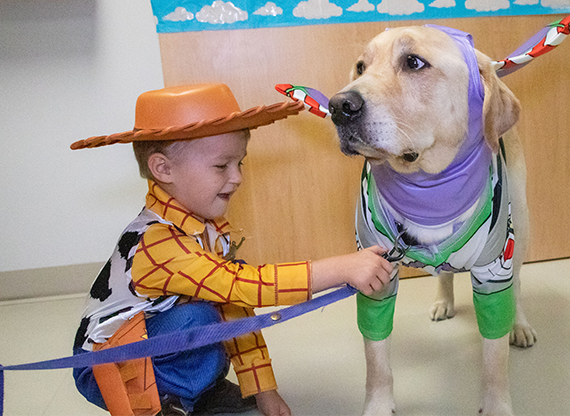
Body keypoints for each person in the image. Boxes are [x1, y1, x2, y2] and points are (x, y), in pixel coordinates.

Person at [71, 83, 393, 416]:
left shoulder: (207, 231)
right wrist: (341, 269)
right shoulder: (158, 243)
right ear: (163, 169)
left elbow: (236, 311)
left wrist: (263, 389)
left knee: (211, 314)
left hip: (152, 345)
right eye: (221, 166)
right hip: (106, 366)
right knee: (196, 318)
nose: (237, 177)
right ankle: (167, 402)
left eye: (239, 163)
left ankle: (196, 392)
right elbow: (247, 286)